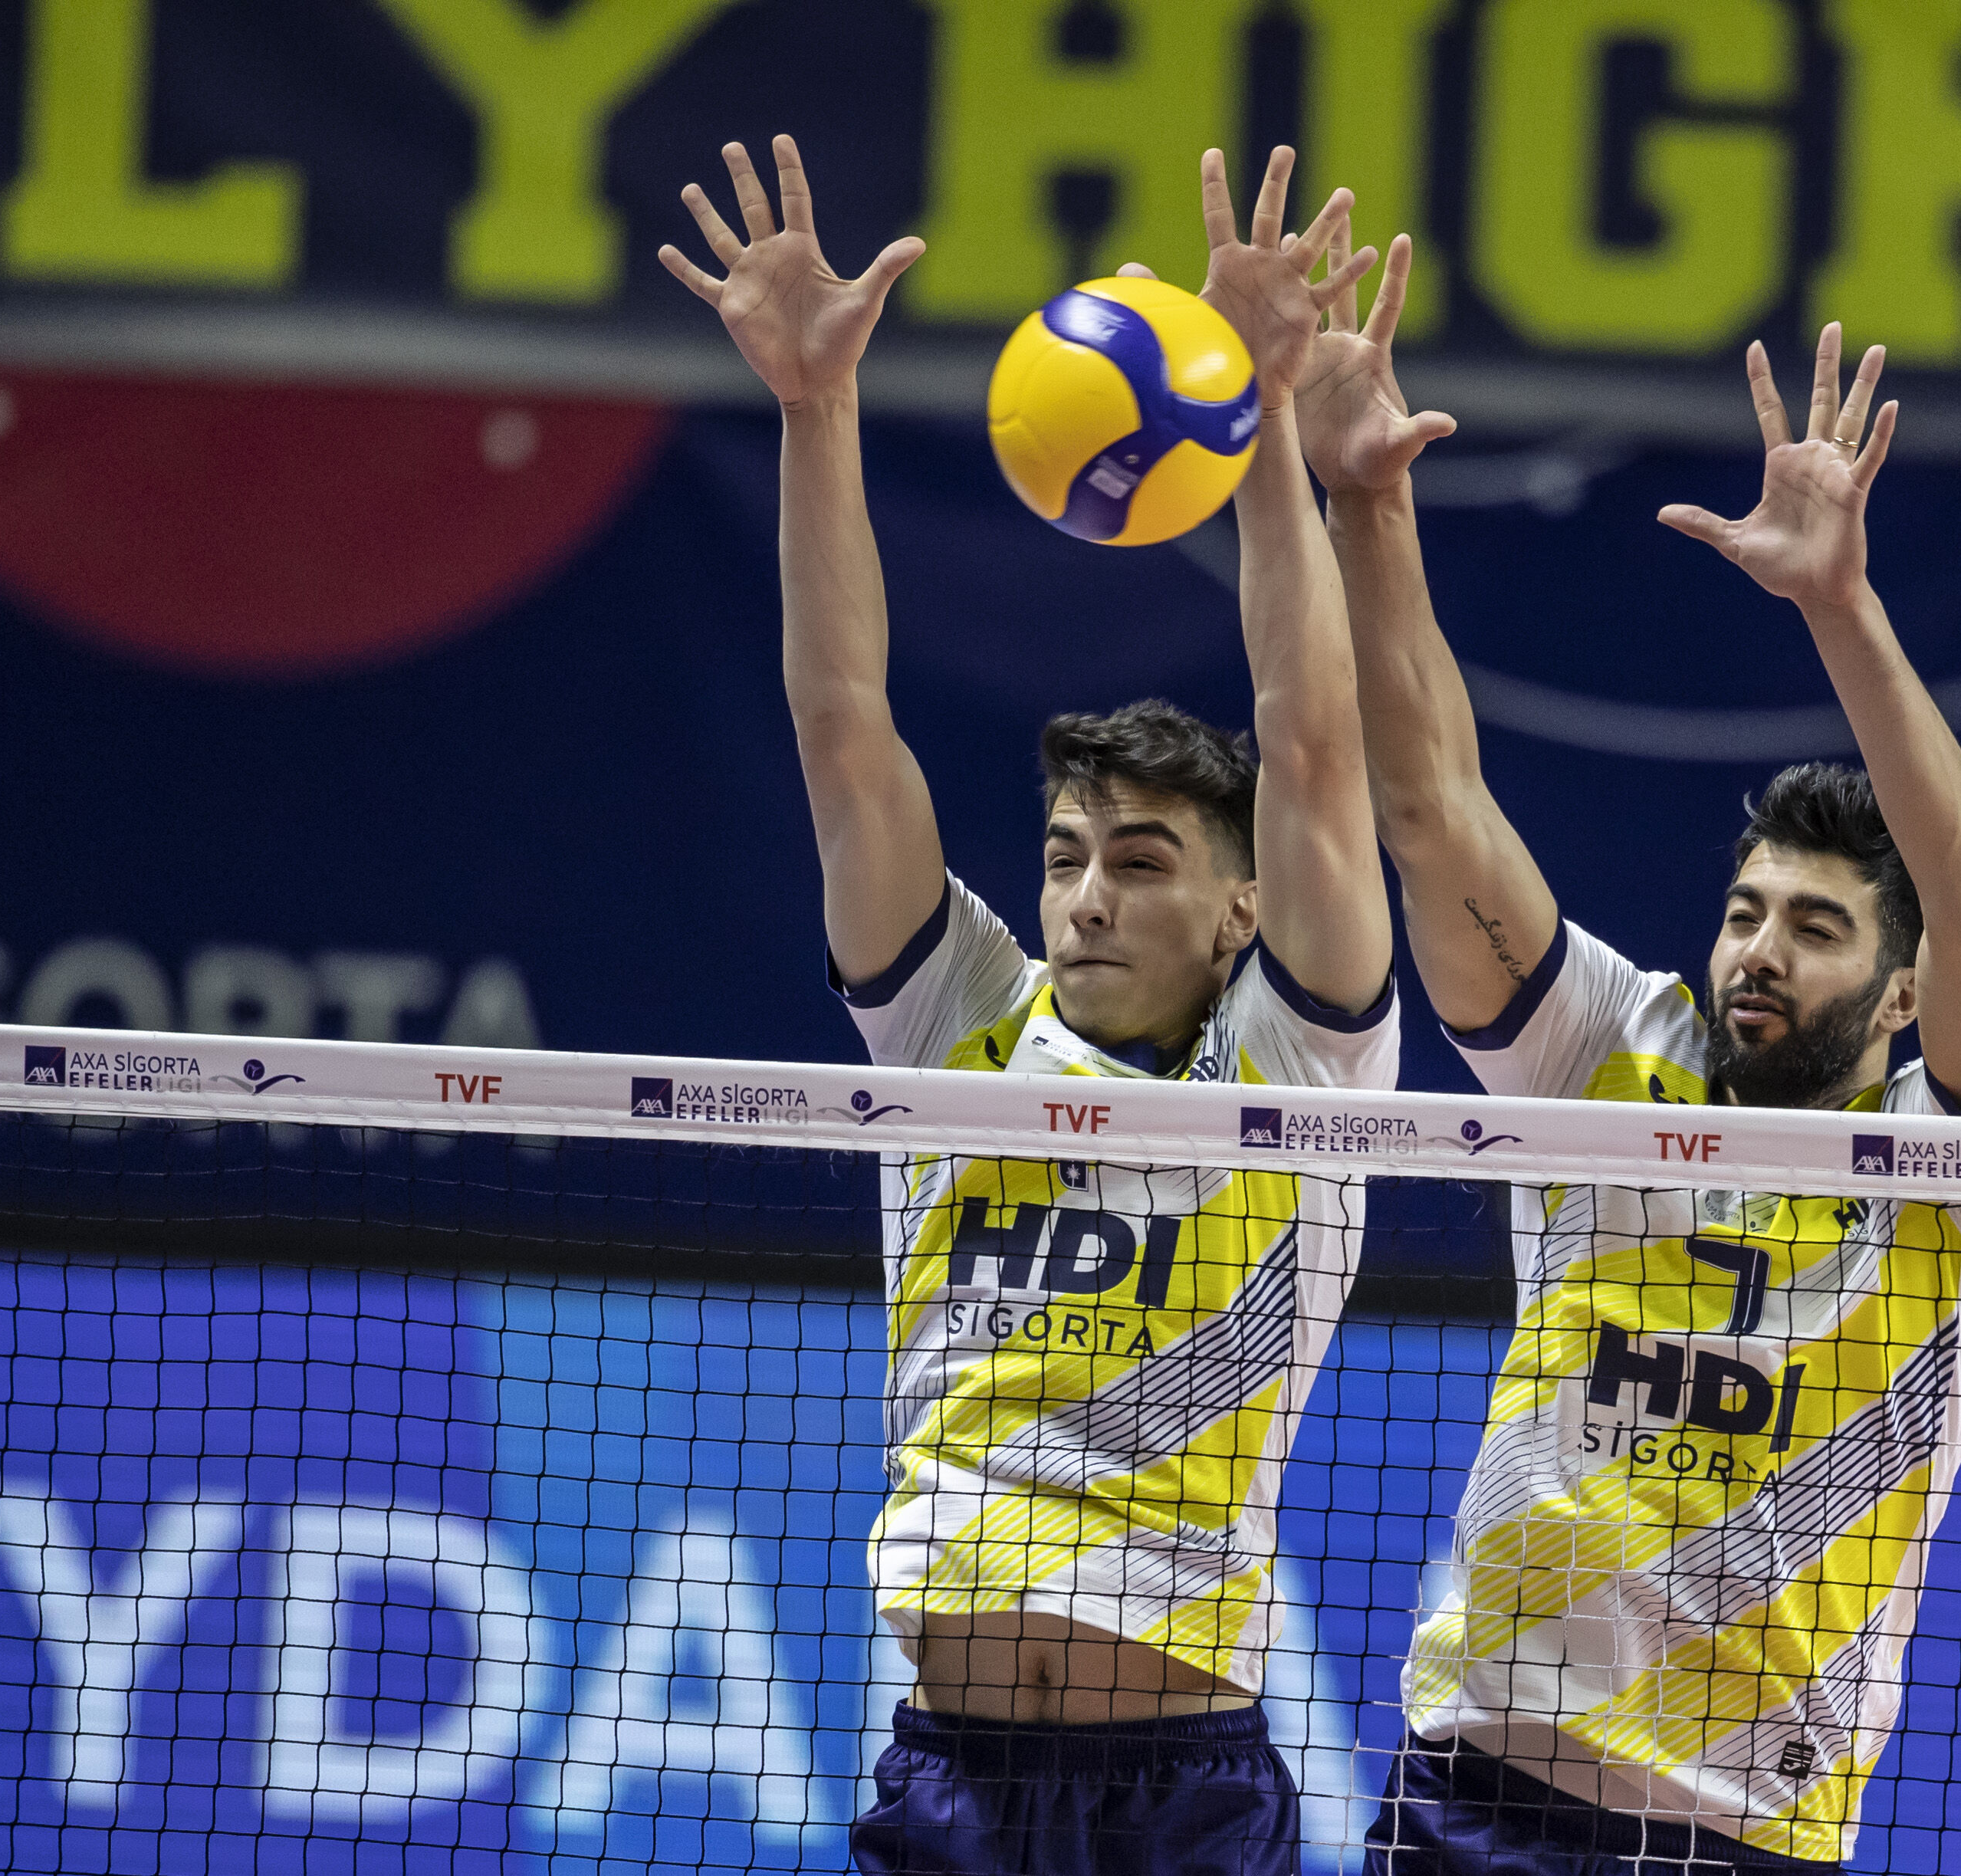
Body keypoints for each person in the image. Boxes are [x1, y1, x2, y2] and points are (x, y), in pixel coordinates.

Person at [1290, 248, 1961, 1871]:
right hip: (1471, 1803)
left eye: (1814, 926)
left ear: (1903, 989)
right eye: (1743, 911)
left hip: (1740, 1839)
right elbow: (1431, 811)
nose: (1757, 949)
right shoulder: (1607, 1048)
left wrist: (1841, 610)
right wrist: (1365, 501)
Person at [658, 137, 1394, 1874]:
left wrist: (1258, 408)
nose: (1086, 895)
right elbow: (844, 725)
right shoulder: (959, 1031)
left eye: (1140, 860)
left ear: (1240, 907)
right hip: (952, 1780)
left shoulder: (1303, 1063)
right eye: (1067, 856)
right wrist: (816, 407)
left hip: (1183, 1790)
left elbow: (1313, 746)